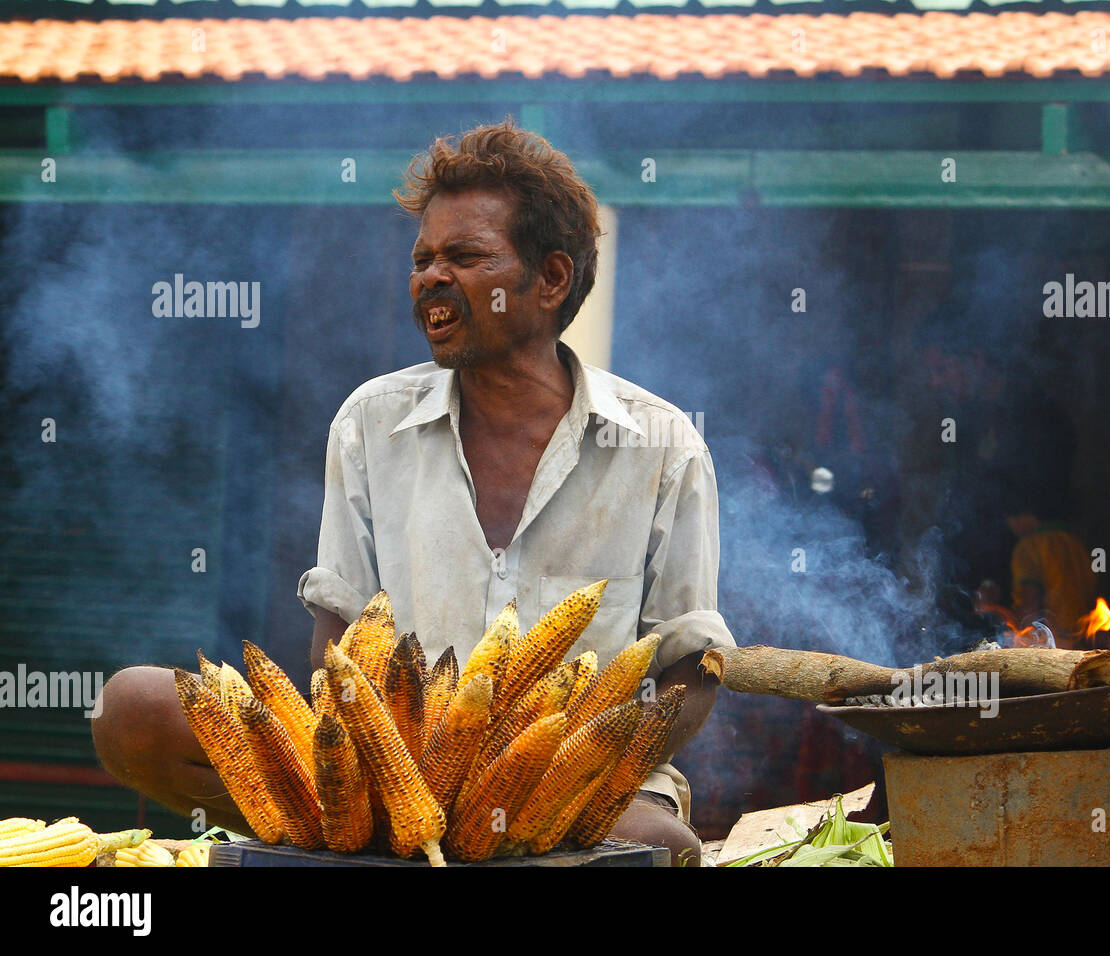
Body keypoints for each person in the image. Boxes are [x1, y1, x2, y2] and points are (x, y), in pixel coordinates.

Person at [91, 118, 735, 865]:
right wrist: (358, 761)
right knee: (131, 709)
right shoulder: (370, 424)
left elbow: (693, 671)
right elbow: (338, 634)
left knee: (665, 850)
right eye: (422, 258)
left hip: (577, 787)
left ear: (552, 279)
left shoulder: (661, 447)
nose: (430, 276)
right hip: (393, 767)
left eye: (465, 257)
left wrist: (570, 767)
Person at [1002, 486, 1098, 648]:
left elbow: (1029, 602)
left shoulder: (1029, 545)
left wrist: (1018, 636)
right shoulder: (1079, 543)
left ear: (1019, 517)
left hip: (1051, 641)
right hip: (1085, 639)